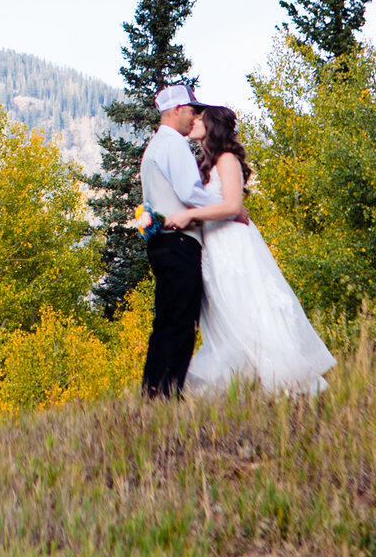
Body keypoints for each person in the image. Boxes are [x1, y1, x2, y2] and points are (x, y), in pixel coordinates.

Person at [172, 103, 336, 397]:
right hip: (214, 247)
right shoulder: (205, 163)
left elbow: (232, 205)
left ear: (213, 126)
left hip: (233, 246)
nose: (194, 120)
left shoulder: (226, 159)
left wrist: (188, 217)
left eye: (201, 117)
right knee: (224, 314)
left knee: (245, 308)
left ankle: (282, 380)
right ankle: (241, 383)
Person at [138, 83, 212, 397]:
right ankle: (168, 391)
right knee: (182, 320)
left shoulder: (152, 147)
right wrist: (225, 208)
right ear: (177, 110)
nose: (195, 116)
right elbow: (189, 192)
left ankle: (152, 388)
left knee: (167, 318)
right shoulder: (174, 145)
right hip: (180, 240)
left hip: (160, 242)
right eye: (192, 109)